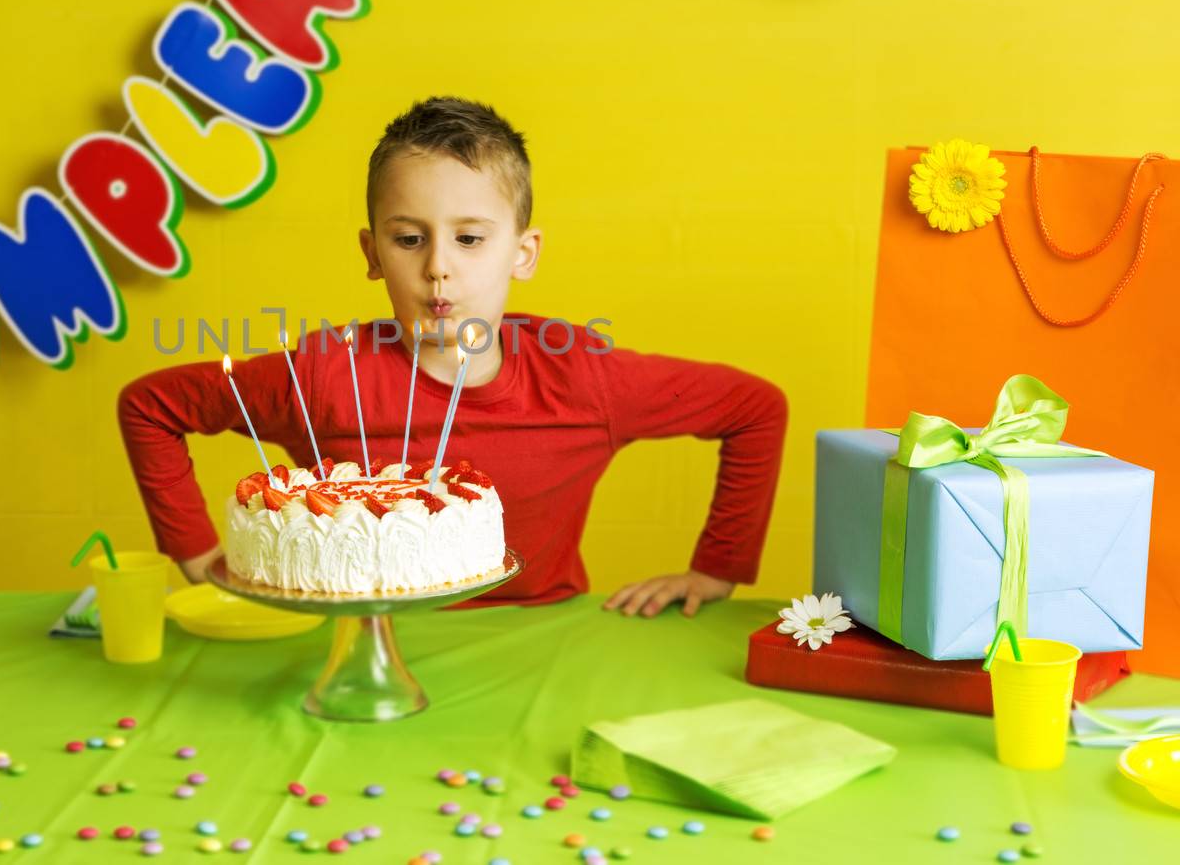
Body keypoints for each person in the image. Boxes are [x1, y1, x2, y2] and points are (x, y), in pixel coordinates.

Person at [117, 96, 787, 615]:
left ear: (522, 253)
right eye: (409, 239)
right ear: (372, 253)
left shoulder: (582, 377)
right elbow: (149, 404)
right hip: (355, 646)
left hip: (538, 645)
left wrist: (717, 567)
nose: (439, 268)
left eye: (470, 238)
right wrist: (199, 554)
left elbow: (756, 408)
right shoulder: (324, 377)